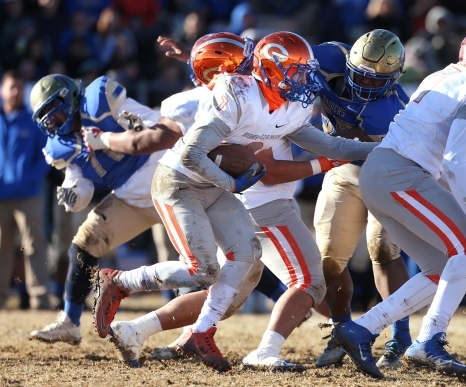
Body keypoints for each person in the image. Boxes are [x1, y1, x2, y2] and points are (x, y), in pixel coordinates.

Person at [92, 31, 378, 371]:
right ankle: (121, 282)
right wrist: (232, 181)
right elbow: (192, 154)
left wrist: (381, 147)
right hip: (184, 183)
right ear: (270, 71)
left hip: (224, 189)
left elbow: (330, 146)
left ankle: (195, 333)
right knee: (205, 272)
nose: (305, 81)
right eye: (297, 72)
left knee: (241, 264)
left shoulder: (288, 104)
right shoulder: (236, 93)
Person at [331, 27, 466, 379]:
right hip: (401, 175)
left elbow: (442, 160)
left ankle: (362, 329)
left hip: (384, 173)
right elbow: (453, 160)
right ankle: (429, 339)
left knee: (439, 266)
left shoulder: (445, 74)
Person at [27, 72, 180, 345]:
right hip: (129, 196)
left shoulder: (100, 98)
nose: (53, 122)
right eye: (46, 118)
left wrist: (126, 131)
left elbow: (153, 123)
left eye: (55, 112)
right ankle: (70, 322)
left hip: (166, 176)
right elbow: (80, 183)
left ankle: (278, 298)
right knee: (84, 245)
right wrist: (74, 193)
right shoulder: (59, 147)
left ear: (70, 100)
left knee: (222, 252)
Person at [310, 29, 414, 369]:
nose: (367, 85)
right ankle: (341, 332)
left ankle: (400, 336)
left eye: (377, 81)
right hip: (342, 171)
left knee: (383, 249)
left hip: (387, 176)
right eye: (361, 77)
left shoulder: (397, 111)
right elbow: (284, 56)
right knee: (328, 260)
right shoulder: (326, 59)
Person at [0, 70, 51, 310]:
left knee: (35, 246)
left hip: (30, 195)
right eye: (11, 87)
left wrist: (30, 179)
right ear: (2, 89)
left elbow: (45, 155)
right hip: (1, 197)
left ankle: (39, 298)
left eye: (19, 87)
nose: (15, 92)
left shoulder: (34, 121)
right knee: (1, 247)